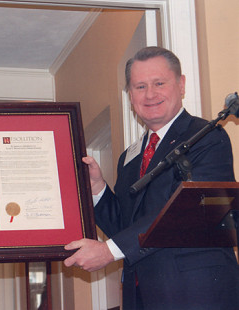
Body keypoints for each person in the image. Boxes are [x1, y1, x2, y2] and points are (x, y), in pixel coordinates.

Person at [64, 46, 239, 310]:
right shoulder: (129, 158)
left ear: (180, 85)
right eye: (140, 86)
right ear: (130, 95)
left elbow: (186, 212)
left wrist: (107, 251)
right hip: (140, 296)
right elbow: (126, 227)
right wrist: (98, 189)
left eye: (159, 83)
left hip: (198, 294)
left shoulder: (207, 136)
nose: (150, 94)